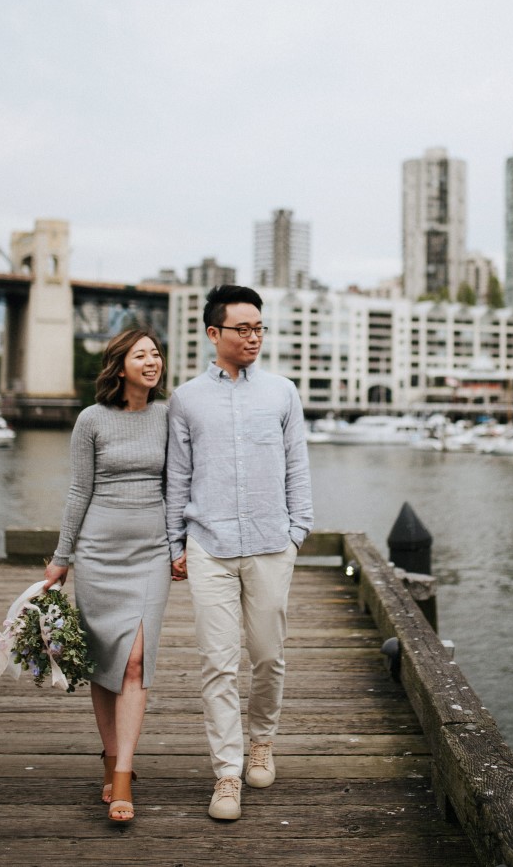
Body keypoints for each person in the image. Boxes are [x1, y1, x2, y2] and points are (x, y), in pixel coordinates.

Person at [166, 285, 313, 822]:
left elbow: (297, 465)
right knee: (217, 663)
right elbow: (177, 478)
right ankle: (227, 772)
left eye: (259, 328)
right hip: (209, 546)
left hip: (273, 544)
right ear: (214, 334)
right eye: (243, 329)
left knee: (269, 656)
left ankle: (262, 742)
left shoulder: (283, 392)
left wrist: (299, 531)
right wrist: (174, 543)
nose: (253, 338)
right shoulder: (184, 399)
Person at [43, 327, 170, 824]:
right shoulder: (90, 420)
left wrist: (179, 546)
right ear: (120, 367)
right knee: (105, 663)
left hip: (151, 554)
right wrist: (62, 556)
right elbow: (79, 492)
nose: (152, 361)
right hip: (98, 554)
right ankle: (110, 757)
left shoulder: (168, 415)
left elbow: (178, 484)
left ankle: (123, 774)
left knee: (135, 659)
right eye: (142, 355)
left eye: (156, 354)